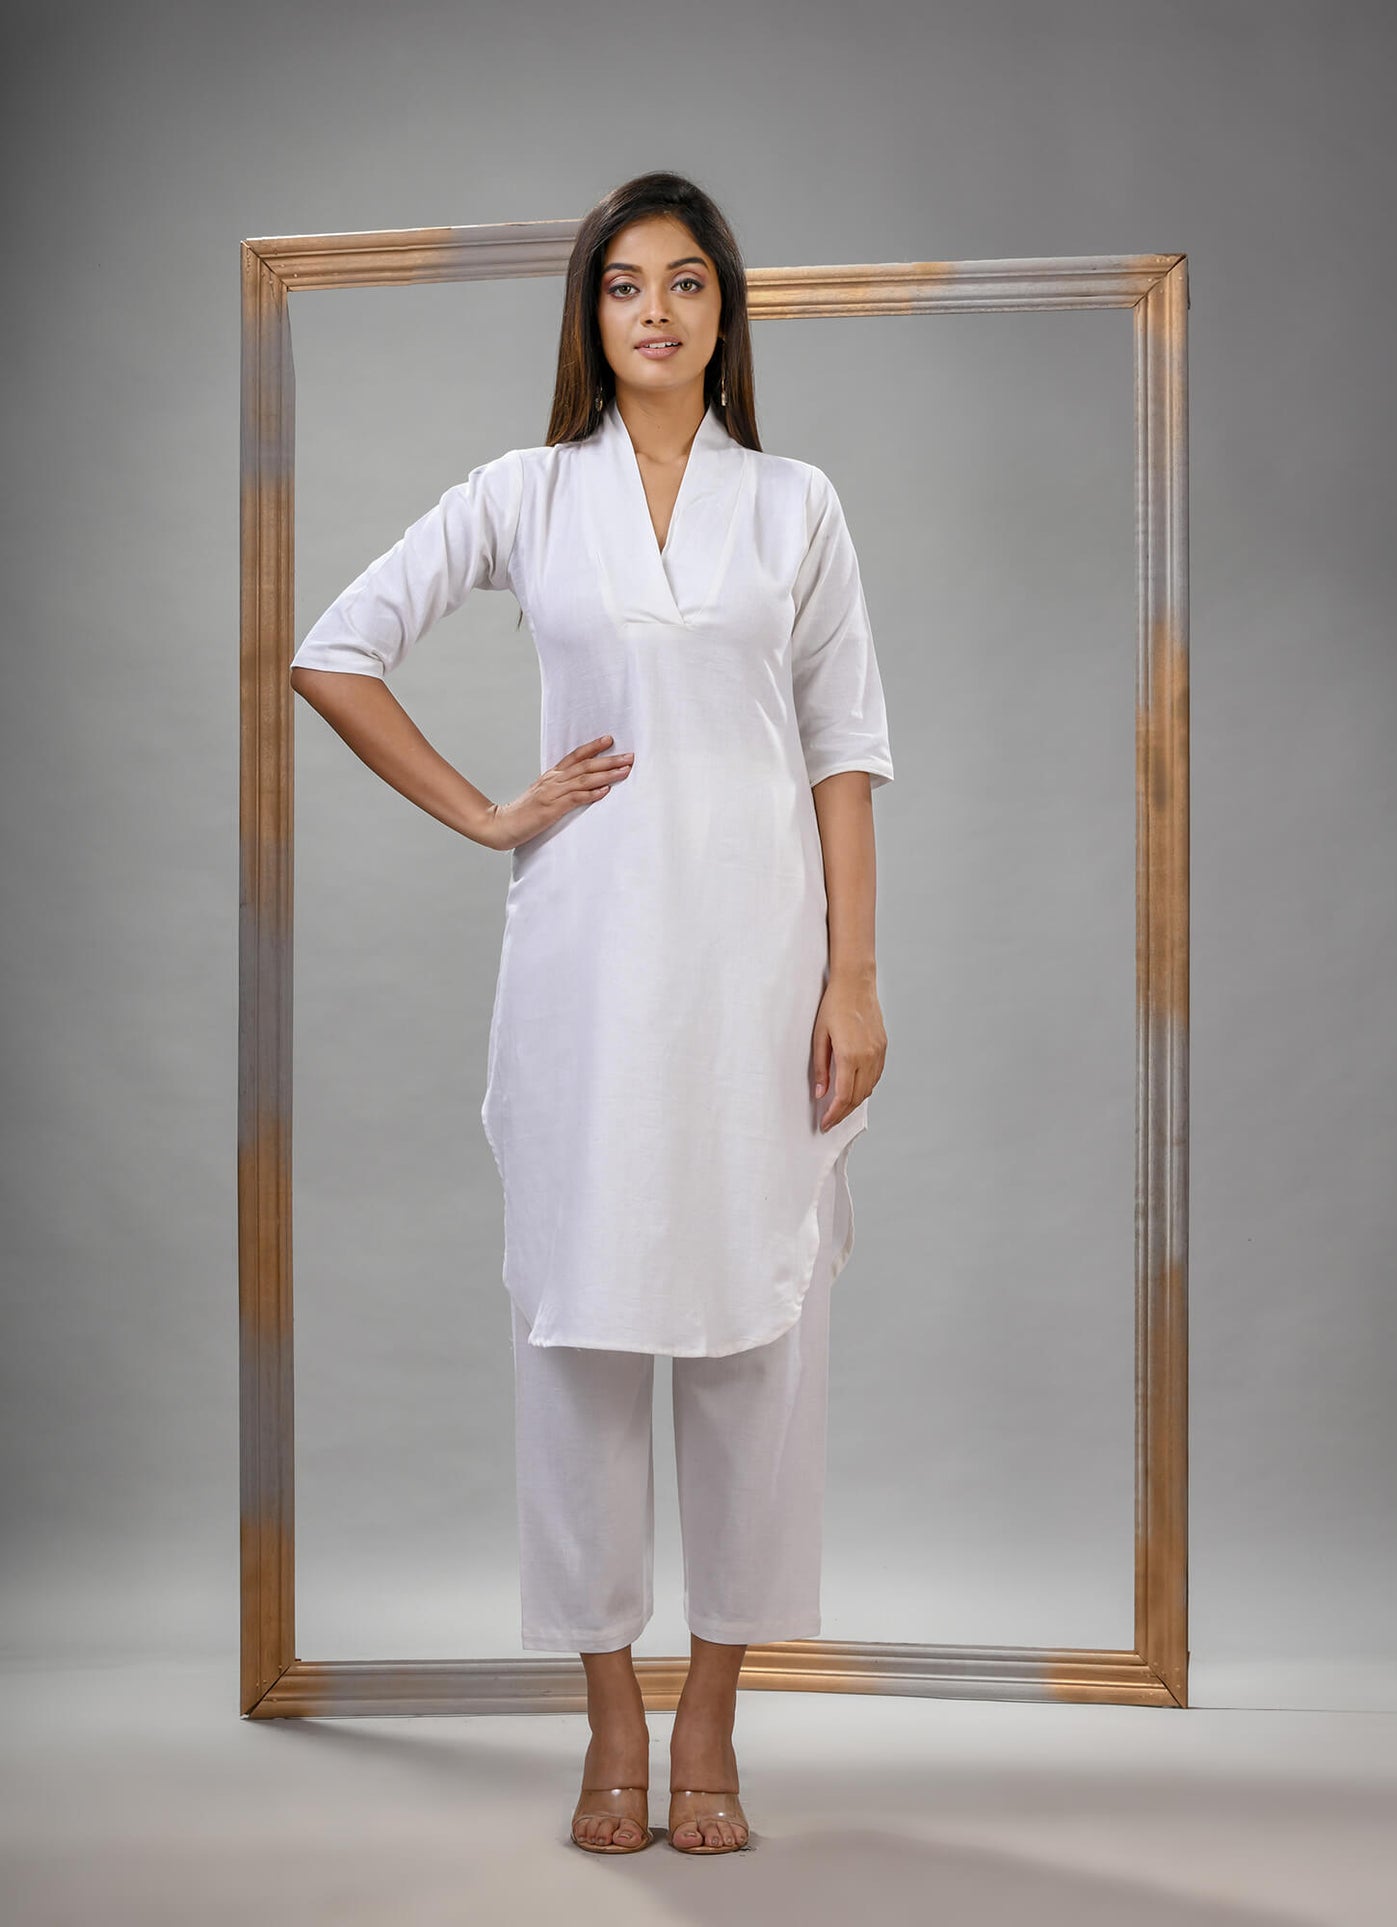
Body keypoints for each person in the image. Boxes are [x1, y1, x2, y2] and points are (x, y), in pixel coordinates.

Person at [290, 170, 894, 1856]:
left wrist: (852, 974)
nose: (655, 311)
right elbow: (335, 651)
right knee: (578, 1339)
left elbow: (844, 748)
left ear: (724, 311)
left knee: (759, 1334)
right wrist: (488, 811)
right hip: (586, 973)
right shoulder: (526, 494)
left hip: (761, 969)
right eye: (624, 285)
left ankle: (713, 1717)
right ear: (588, 314)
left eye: (686, 282)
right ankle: (610, 1716)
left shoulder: (793, 506)